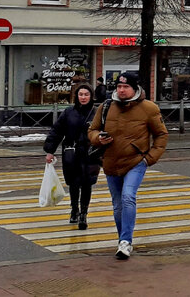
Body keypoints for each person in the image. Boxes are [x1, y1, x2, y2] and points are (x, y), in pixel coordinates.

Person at [88, 72, 168, 260]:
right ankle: (121, 240)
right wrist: (97, 138)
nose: (121, 90)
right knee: (117, 205)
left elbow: (161, 135)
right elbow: (92, 130)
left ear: (135, 88)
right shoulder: (106, 106)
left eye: (125, 87)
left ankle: (126, 241)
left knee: (128, 197)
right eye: (119, 87)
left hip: (135, 161)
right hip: (110, 161)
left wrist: (150, 158)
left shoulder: (149, 108)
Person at [44, 84, 101, 230]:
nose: (83, 97)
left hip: (90, 153)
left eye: (86, 94)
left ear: (91, 96)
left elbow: (105, 132)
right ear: (76, 96)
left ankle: (84, 214)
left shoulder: (97, 113)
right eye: (80, 94)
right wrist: (50, 150)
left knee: (87, 183)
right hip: (72, 153)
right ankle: (74, 209)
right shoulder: (69, 112)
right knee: (74, 183)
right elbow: (56, 131)